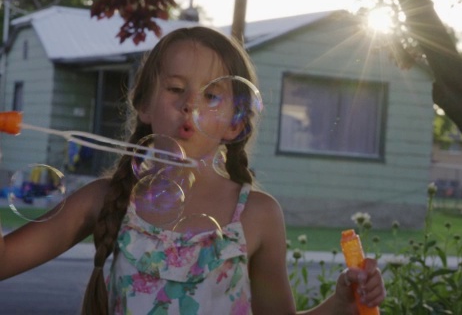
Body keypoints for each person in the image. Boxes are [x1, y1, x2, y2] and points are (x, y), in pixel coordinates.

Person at [0, 26, 385, 314]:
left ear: (235, 122)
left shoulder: (257, 215)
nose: (190, 105)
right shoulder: (103, 201)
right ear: (144, 105)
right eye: (175, 89)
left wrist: (339, 303)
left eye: (211, 95)